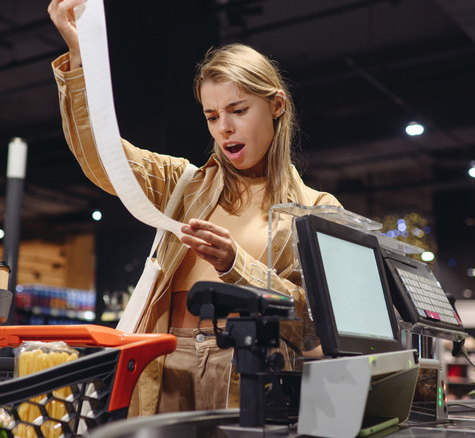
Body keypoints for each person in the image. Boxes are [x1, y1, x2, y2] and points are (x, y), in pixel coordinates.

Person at [47, 0, 342, 417]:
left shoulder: (316, 210)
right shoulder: (183, 184)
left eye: (239, 111)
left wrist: (236, 265)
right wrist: (81, 57)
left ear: (277, 106)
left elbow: (315, 324)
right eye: (212, 115)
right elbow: (102, 156)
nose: (225, 127)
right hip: (165, 359)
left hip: (251, 368)